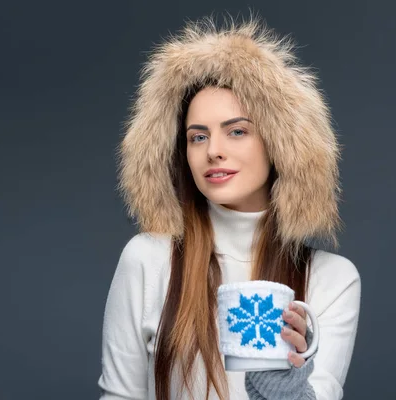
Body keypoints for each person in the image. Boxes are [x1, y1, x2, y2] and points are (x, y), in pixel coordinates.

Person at [98, 15, 361, 400]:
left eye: (237, 131)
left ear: (279, 144)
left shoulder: (331, 279)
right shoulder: (148, 259)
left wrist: (282, 388)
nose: (213, 150)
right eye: (197, 136)